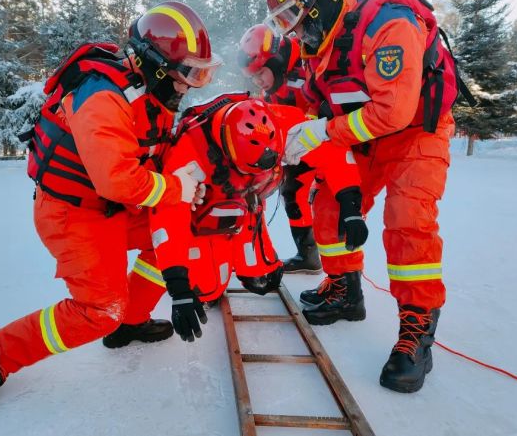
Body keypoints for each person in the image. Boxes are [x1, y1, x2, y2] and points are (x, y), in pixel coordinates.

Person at [0, 1, 221, 406]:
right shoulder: (102, 96)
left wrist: (188, 184)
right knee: (99, 311)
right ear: (152, 63)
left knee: (167, 235)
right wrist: (176, 189)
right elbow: (118, 179)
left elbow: (150, 161)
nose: (190, 84)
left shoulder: (152, 92)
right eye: (187, 73)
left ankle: (131, 322)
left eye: (200, 73)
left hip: (114, 206)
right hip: (73, 213)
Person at [265, 0, 461, 393]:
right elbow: (323, 101)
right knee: (329, 206)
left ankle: (416, 334)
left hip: (417, 131)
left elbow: (394, 109)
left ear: (320, 0)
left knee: (408, 220)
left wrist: (325, 131)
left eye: (293, 18)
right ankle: (345, 290)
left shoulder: (388, 22)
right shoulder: (326, 45)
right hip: (366, 134)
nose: (293, 32)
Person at [102, 93, 368, 348]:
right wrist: (179, 287)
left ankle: (249, 266)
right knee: (204, 286)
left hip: (248, 205)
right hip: (206, 212)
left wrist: (350, 203)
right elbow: (169, 221)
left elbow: (332, 149)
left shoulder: (280, 124)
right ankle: (130, 321)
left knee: (263, 276)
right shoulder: (189, 151)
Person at [237, 24, 322, 275]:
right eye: (253, 78)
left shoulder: (310, 68)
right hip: (299, 149)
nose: (258, 81)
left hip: (328, 143)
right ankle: (308, 255)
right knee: (292, 192)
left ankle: (343, 276)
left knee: (329, 206)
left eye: (260, 73)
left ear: (274, 62)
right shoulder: (272, 87)